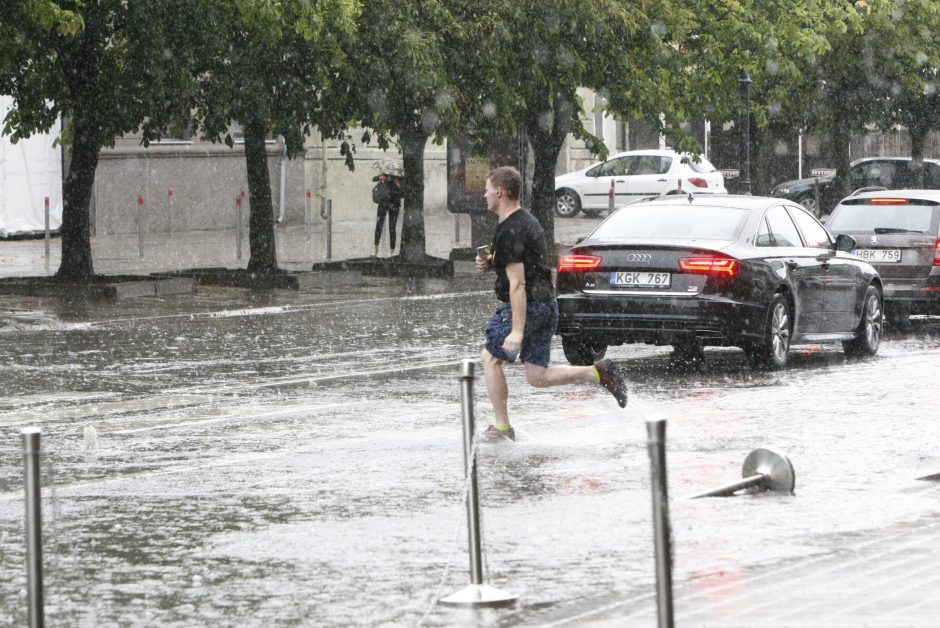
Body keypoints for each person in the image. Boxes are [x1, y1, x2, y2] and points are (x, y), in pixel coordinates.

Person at [475, 166, 628, 442]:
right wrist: (492, 262)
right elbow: (524, 264)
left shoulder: (510, 229)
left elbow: (518, 284)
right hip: (546, 305)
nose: (484, 195)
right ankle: (598, 371)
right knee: (537, 376)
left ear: (499, 191)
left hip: (528, 306)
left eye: (487, 189)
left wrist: (517, 330)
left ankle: (502, 428)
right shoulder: (525, 221)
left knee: (490, 358)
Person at [372, 172, 402, 257]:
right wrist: (380, 177)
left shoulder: (398, 177)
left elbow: (403, 194)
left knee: (392, 228)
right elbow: (373, 179)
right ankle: (375, 248)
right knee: (379, 225)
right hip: (383, 203)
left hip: (394, 205)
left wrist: (398, 184)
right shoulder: (384, 175)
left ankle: (392, 251)